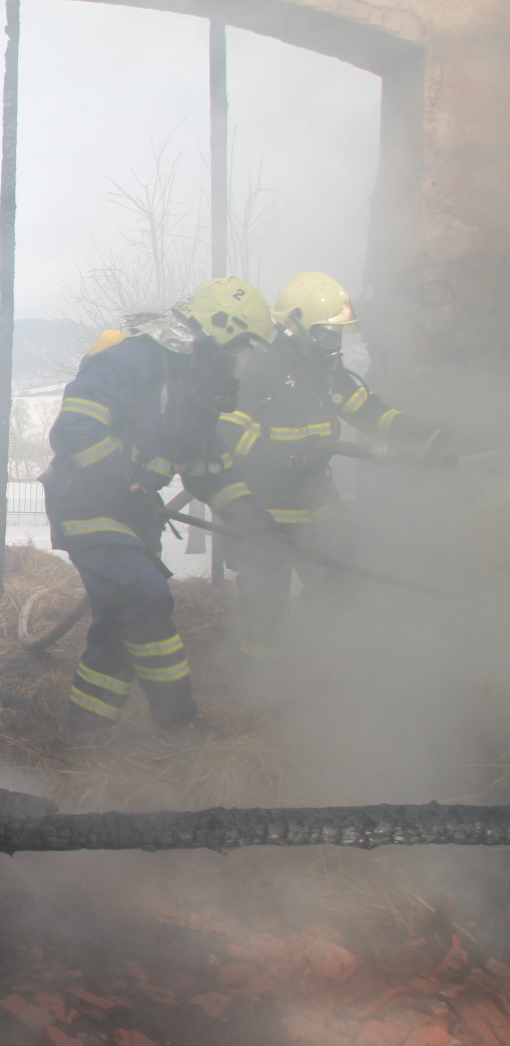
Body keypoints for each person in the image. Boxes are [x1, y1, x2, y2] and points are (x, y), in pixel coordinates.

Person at [42, 278, 279, 734]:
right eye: (242, 349)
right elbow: (74, 430)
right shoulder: (133, 360)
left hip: (132, 513)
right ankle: (180, 723)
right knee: (147, 598)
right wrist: (123, 483)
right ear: (219, 334)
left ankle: (87, 736)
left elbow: (210, 469)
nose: (242, 364)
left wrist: (258, 524)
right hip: (86, 504)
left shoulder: (196, 391)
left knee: (119, 620)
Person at [217, 271, 449, 666]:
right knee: (265, 597)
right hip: (263, 506)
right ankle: (262, 681)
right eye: (326, 334)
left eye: (337, 335)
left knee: (346, 573)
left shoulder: (327, 373)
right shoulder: (260, 370)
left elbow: (368, 410)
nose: (333, 343)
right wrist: (282, 455)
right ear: (294, 326)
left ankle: (308, 651)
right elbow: (227, 434)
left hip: (315, 498)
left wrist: (420, 429)